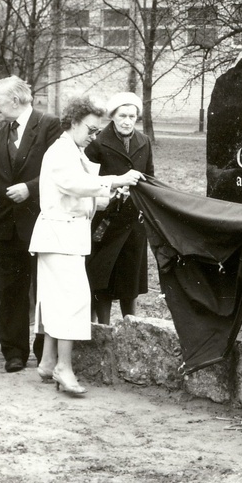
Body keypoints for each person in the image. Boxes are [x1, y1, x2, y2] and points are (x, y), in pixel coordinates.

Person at [29, 96, 142, 395]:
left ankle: (48, 360)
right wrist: (115, 181)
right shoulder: (61, 152)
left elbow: (80, 194)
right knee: (72, 300)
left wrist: (104, 197)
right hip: (60, 236)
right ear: (74, 122)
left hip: (65, 236)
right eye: (91, 130)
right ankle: (63, 368)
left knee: (57, 299)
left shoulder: (73, 151)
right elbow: (72, 185)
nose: (94, 136)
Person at [0, 76, 61, 373]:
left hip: (41, 222)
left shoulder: (49, 125)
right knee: (12, 290)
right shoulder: (2, 130)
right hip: (8, 225)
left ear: (16, 101)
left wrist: (30, 189)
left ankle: (45, 349)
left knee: (44, 289)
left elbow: (59, 170)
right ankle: (14, 352)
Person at [85, 92, 155, 324]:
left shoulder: (143, 141)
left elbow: (149, 177)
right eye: (122, 115)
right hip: (104, 220)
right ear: (112, 116)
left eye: (132, 116)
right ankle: (102, 325)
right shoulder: (97, 143)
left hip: (134, 220)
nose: (127, 121)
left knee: (130, 277)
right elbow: (88, 179)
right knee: (102, 275)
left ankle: (131, 324)